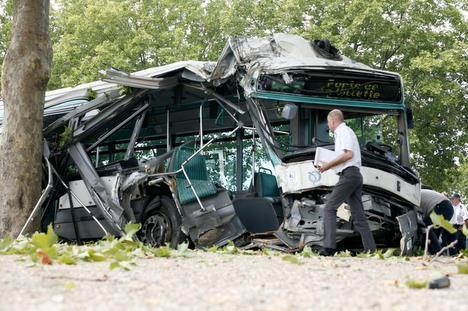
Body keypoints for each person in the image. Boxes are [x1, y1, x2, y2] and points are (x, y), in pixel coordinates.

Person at [317, 109, 376, 256]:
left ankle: (329, 248)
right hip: (353, 175)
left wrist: (328, 165)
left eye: (328, 122)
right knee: (359, 215)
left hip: (349, 175)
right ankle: (371, 250)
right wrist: (328, 164)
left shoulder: (343, 131)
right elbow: (345, 156)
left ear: (333, 120)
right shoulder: (345, 132)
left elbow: (348, 154)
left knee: (329, 208)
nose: (328, 125)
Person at [419, 189, 454, 254]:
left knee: (426, 227)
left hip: (442, 206)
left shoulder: (414, 196)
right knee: (434, 234)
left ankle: (438, 252)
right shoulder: (419, 192)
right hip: (449, 208)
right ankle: (434, 253)